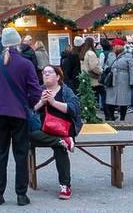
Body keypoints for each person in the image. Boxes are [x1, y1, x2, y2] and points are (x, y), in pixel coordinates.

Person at [0, 26, 41, 207]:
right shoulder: (25, 64)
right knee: (21, 154)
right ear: (18, 43)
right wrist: (28, 103)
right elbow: (35, 90)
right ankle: (21, 194)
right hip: (19, 114)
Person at [30, 65, 81, 200]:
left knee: (60, 148)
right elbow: (29, 111)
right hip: (43, 132)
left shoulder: (65, 91)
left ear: (58, 77)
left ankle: (65, 185)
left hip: (63, 130)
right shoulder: (39, 90)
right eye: (44, 72)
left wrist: (53, 102)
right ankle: (62, 142)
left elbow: (74, 109)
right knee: (28, 135)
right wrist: (41, 102)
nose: (46, 75)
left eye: (49, 72)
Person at [103, 39, 133, 121]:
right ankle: (111, 117)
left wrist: (132, 82)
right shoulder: (111, 55)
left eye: (114, 45)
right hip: (112, 79)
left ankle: (122, 118)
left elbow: (132, 69)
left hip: (123, 80)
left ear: (118, 46)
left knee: (123, 100)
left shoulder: (128, 55)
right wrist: (106, 69)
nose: (112, 47)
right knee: (110, 100)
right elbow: (106, 65)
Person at [79, 36, 102, 107]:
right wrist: (101, 71)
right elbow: (94, 67)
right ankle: (108, 114)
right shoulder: (91, 54)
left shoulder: (83, 53)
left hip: (86, 78)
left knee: (89, 97)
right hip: (93, 79)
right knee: (102, 93)